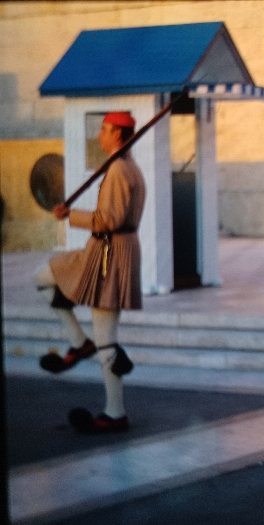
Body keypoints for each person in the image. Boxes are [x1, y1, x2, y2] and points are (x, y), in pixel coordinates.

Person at [35, 111, 145, 433]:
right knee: (45, 277)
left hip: (109, 253)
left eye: (104, 130)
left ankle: (114, 411)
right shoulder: (127, 166)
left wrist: (70, 215)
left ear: (118, 134)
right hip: (108, 250)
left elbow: (108, 220)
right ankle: (80, 344)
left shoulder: (120, 169)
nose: (99, 135)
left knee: (105, 339)